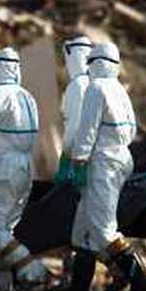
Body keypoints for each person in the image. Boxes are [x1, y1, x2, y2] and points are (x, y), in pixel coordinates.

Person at [49, 42, 146, 291]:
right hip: (118, 157)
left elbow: (87, 131)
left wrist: (80, 161)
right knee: (82, 230)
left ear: (94, 63)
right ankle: (79, 288)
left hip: (102, 162)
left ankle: (141, 284)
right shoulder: (119, 89)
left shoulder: (96, 88)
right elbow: (130, 131)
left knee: (104, 230)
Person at [0, 47, 47, 291]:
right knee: (7, 229)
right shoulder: (28, 96)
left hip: (1, 168)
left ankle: (32, 269)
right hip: (25, 167)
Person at [55, 35, 93, 184]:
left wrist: (65, 155)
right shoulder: (94, 81)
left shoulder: (77, 85)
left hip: (80, 159)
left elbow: (74, 126)